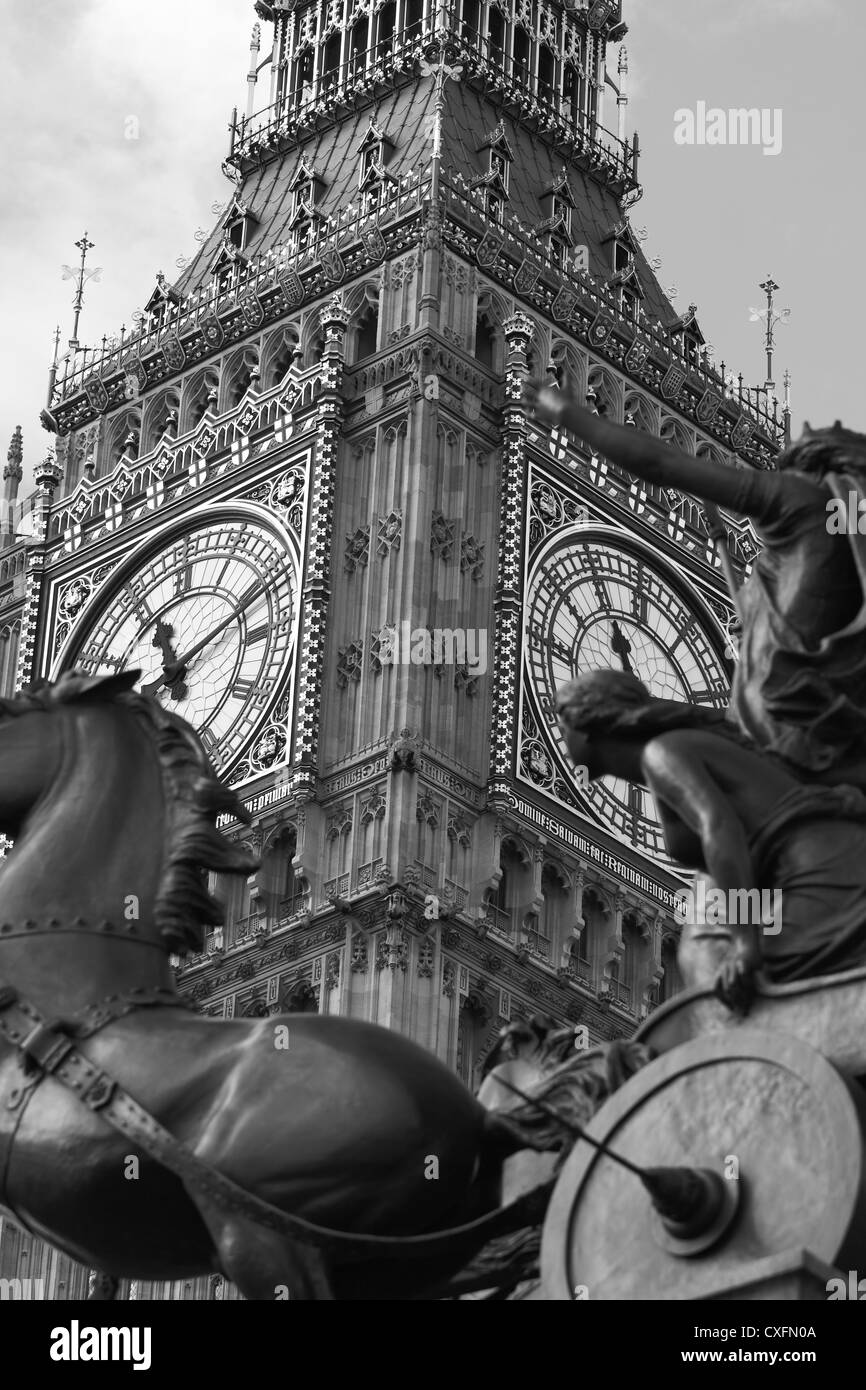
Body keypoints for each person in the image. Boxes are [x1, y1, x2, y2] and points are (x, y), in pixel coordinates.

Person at [525, 378, 866, 789]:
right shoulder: (848, 545)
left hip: (771, 719)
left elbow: (662, 466)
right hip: (819, 734)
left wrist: (567, 414)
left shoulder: (794, 497)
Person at [555, 668, 866, 1011]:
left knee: (763, 996)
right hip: (813, 865)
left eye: (562, 724)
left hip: (821, 866)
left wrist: (747, 944)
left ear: (585, 726)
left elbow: (719, 828)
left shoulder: (663, 753)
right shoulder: (668, 754)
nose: (562, 735)